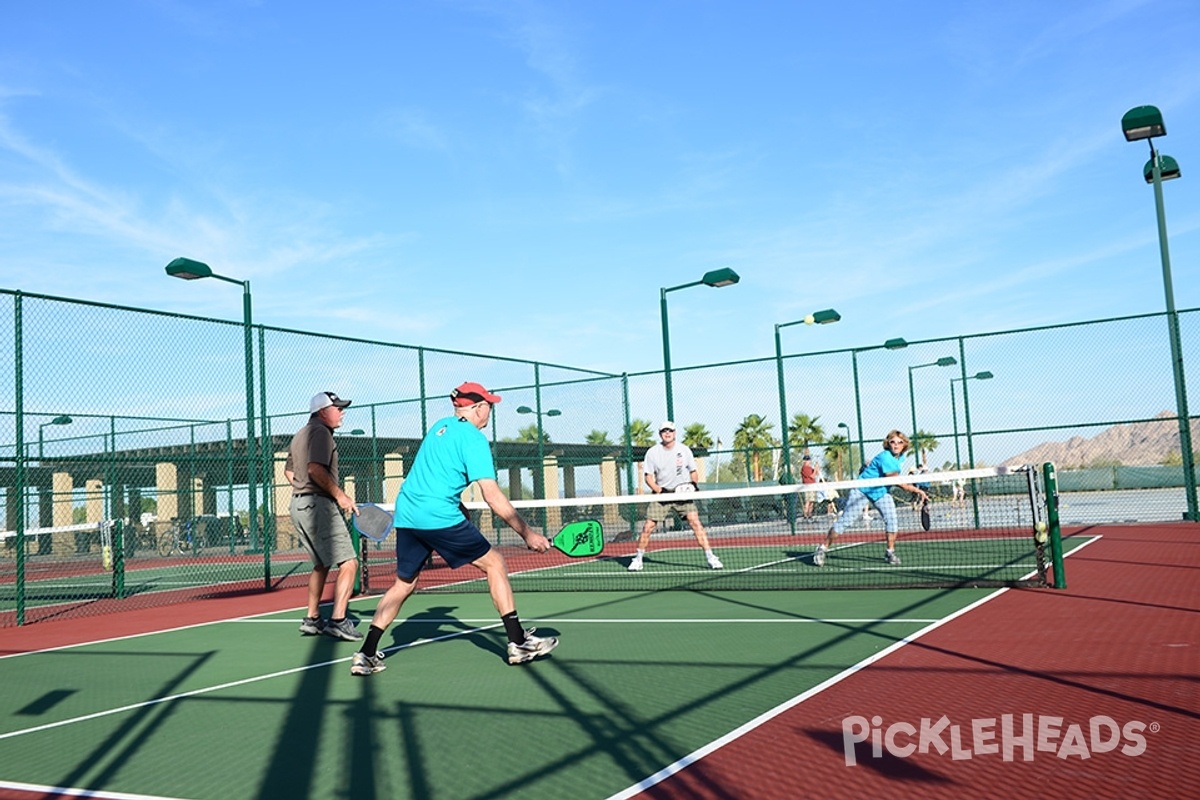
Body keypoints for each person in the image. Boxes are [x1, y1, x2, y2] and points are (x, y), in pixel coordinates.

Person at [350, 382, 558, 676]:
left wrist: (458, 505)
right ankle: (518, 641)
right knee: (495, 563)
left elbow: (436, 476)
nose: (491, 411)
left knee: (404, 584)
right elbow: (492, 494)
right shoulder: (473, 439)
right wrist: (528, 533)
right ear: (478, 407)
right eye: (490, 406)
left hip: (408, 514)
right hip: (437, 515)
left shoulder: (439, 428)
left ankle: (366, 654)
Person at [286, 391, 362, 641]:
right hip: (318, 506)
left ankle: (312, 618)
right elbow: (314, 468)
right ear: (322, 412)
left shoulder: (300, 434)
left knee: (321, 564)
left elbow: (289, 472)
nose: (342, 412)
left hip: (298, 506)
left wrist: (304, 489)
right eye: (337, 408)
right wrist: (339, 496)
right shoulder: (321, 433)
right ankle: (338, 620)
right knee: (350, 563)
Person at [812, 430, 928, 567]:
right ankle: (822, 548)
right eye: (893, 442)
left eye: (899, 442)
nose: (896, 445)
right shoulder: (885, 457)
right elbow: (898, 482)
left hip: (881, 492)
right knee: (846, 522)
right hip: (862, 490)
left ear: (904, 445)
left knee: (892, 521)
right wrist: (918, 491)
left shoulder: (901, 458)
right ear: (888, 444)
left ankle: (890, 552)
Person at [628, 421, 723, 571]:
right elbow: (648, 477)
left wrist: (693, 485)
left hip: (683, 495)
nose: (667, 433)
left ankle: (711, 557)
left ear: (674, 433)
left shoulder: (684, 450)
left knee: (695, 522)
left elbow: (693, 472)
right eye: (664, 431)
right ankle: (638, 559)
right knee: (648, 527)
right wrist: (660, 491)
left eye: (670, 430)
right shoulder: (652, 453)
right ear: (660, 434)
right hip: (662, 494)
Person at [800, 453, 818, 519]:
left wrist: (816, 468)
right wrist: (815, 469)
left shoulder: (810, 468)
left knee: (812, 501)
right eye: (806, 460)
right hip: (808, 487)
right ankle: (805, 514)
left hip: (813, 486)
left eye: (808, 460)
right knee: (808, 501)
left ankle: (810, 514)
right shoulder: (804, 468)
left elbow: (816, 474)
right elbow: (812, 476)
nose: (808, 461)